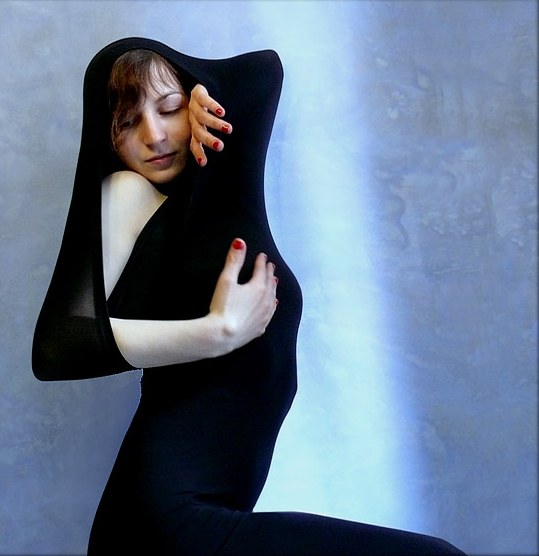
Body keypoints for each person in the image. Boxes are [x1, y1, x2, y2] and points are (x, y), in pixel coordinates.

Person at [33, 37, 465, 556]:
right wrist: (216, 332)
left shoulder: (212, 205)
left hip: (200, 517)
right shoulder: (128, 192)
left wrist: (205, 90)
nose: (153, 134)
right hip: (164, 523)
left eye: (168, 109)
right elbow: (60, 344)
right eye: (127, 123)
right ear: (109, 141)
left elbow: (264, 71)